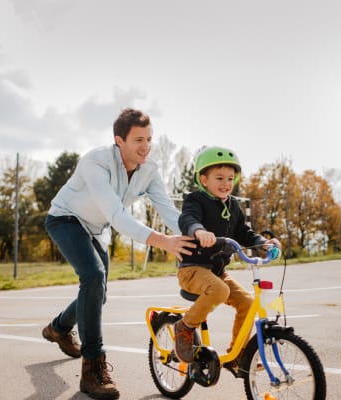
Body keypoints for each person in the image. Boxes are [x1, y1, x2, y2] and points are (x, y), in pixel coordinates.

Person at [42, 108, 196, 400]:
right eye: (139, 139)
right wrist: (162, 241)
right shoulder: (96, 162)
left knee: (98, 292)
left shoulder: (149, 170)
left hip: (96, 229)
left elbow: (168, 210)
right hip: (65, 219)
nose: (146, 146)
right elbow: (115, 213)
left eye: (150, 139)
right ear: (119, 141)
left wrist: (193, 234)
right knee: (93, 276)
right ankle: (92, 369)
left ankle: (58, 328)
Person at [173, 146, 281, 374]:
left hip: (217, 272)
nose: (226, 183)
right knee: (220, 290)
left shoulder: (233, 206)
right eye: (219, 178)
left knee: (248, 302)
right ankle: (185, 327)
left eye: (230, 178)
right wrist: (198, 230)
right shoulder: (196, 199)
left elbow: (243, 232)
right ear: (204, 179)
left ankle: (237, 355)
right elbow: (188, 218)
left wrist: (263, 242)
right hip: (192, 269)